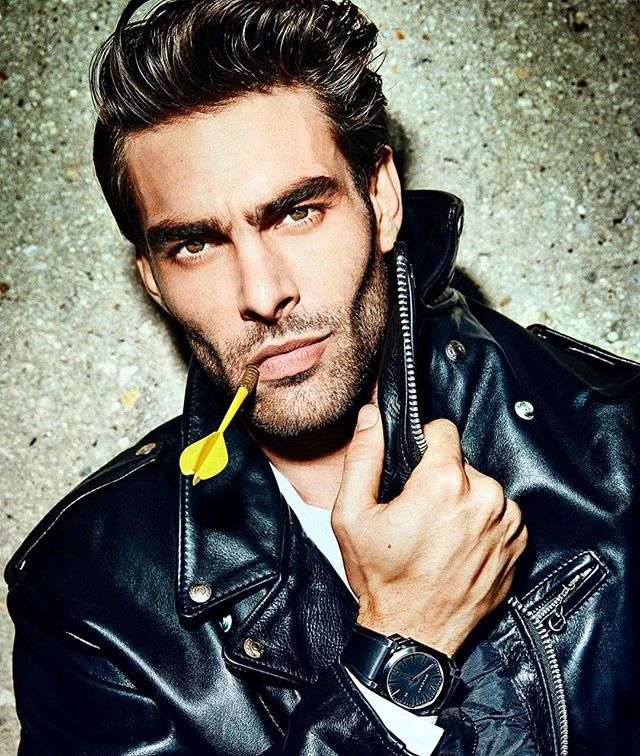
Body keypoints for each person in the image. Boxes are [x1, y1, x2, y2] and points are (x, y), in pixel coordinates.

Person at [4, 1, 639, 754]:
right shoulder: (90, 601)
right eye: (195, 245)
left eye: (298, 212)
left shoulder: (619, 448)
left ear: (383, 198)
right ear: (152, 279)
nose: (263, 293)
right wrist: (399, 654)